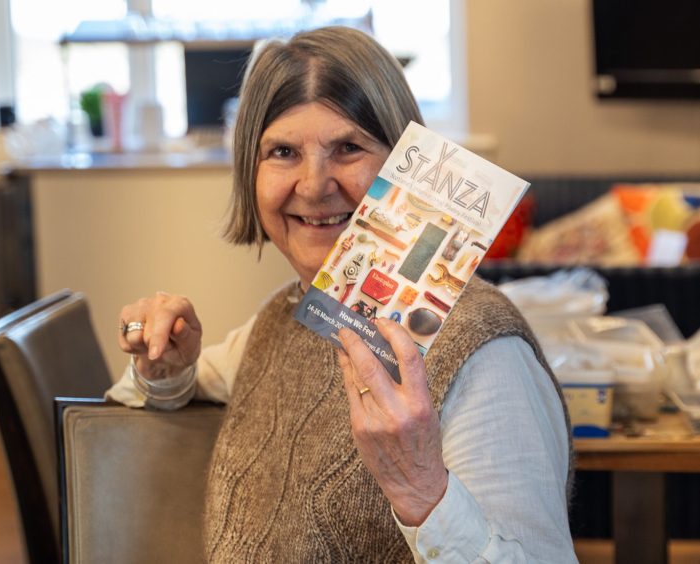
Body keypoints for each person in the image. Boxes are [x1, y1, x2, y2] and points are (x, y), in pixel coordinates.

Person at [108, 26, 577, 563]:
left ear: (405, 164)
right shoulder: (280, 322)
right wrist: (160, 361)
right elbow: (157, 394)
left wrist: (423, 492)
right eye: (283, 151)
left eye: (348, 148)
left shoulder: (483, 355)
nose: (313, 185)